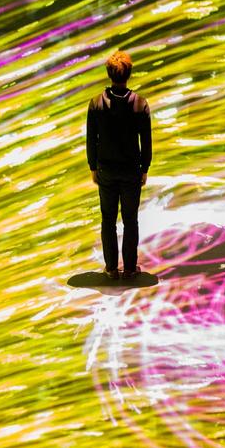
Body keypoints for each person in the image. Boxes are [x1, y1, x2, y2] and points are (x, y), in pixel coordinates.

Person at [86, 50, 151, 279]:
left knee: (108, 219)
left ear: (109, 73)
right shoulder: (140, 104)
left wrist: (92, 167)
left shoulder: (95, 104)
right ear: (129, 74)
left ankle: (112, 268)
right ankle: (131, 268)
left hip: (106, 170)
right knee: (130, 219)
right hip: (131, 170)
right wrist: (145, 168)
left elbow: (91, 140)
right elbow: (146, 141)